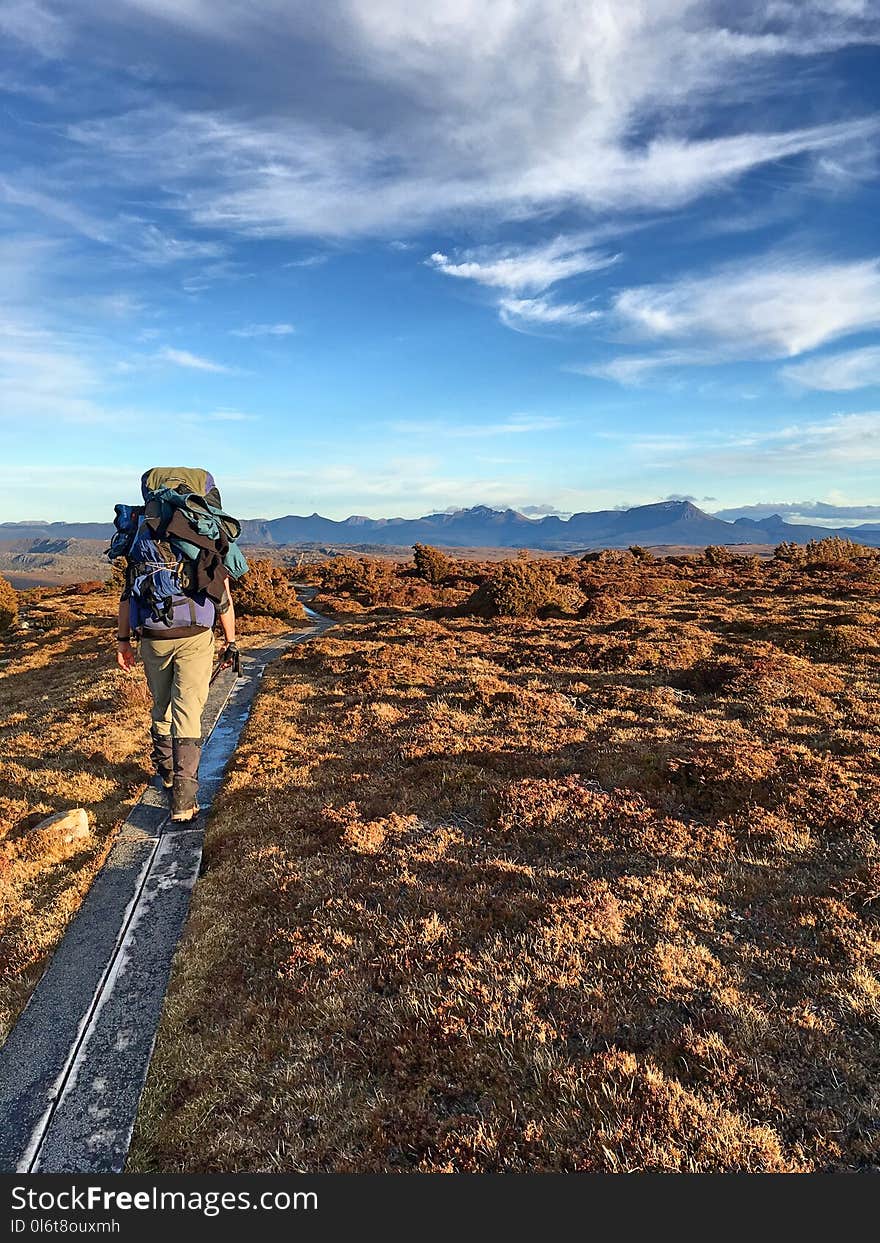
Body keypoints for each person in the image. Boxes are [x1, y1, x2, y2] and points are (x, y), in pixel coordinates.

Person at [115, 469, 240, 822]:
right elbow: (223, 597)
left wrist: (123, 641)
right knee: (188, 710)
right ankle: (184, 800)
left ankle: (168, 773)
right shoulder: (200, 533)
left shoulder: (143, 535)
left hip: (153, 636)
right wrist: (231, 641)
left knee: (162, 705)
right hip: (196, 636)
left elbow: (128, 595)